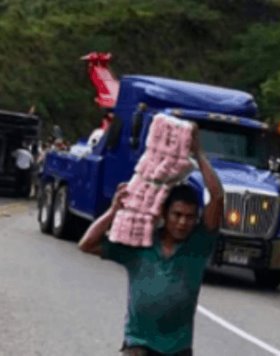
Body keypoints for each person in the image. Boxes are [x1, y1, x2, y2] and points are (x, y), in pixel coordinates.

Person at [78, 127, 224, 356]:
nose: (183, 223)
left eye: (189, 217)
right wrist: (113, 210)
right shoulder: (141, 243)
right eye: (177, 215)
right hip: (138, 346)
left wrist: (198, 154)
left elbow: (217, 197)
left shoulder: (197, 246)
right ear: (164, 214)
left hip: (178, 350)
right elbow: (87, 244)